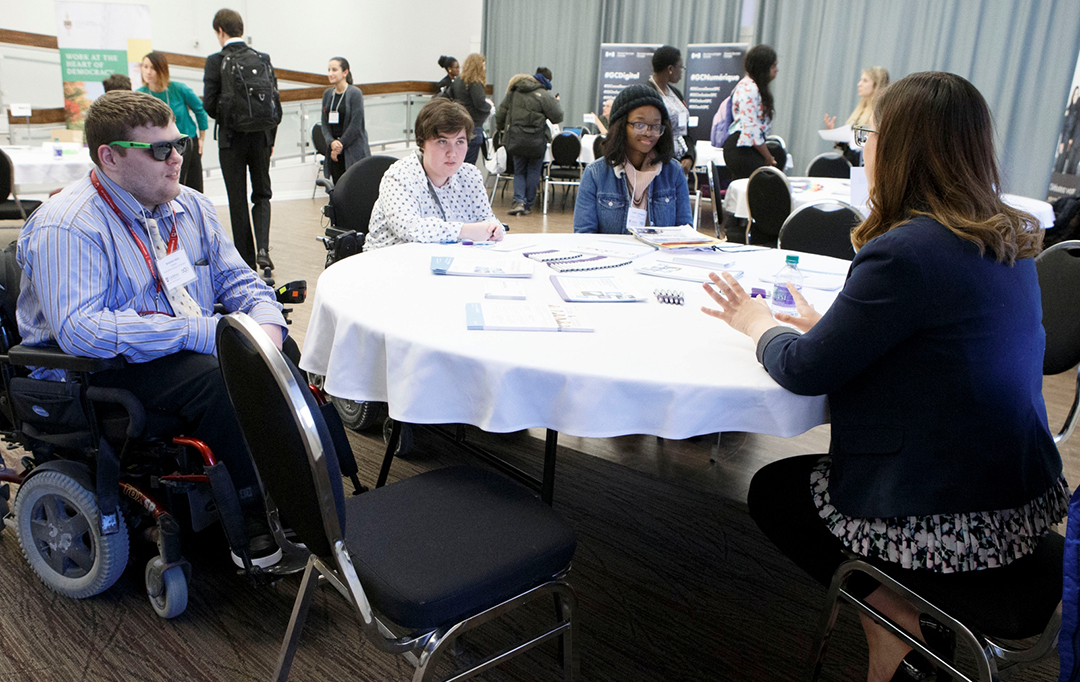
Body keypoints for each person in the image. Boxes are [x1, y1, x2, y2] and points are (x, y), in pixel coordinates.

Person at [701, 72, 1066, 682]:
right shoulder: (1007, 238)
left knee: (773, 492)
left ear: (901, 149)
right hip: (1020, 501)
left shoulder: (907, 251)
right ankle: (901, 622)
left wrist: (756, 320)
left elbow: (803, 368)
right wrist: (842, 324)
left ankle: (890, 615)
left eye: (870, 133)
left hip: (947, 518)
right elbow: (945, 348)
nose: (863, 145)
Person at [16, 90, 291, 566]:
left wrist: (267, 324)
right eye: (160, 149)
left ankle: (306, 496)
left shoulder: (191, 207)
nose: (176, 158)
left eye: (179, 144)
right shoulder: (67, 225)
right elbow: (82, 330)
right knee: (219, 377)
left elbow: (238, 277)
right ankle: (251, 523)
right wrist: (201, 332)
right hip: (90, 370)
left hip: (173, 349)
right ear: (111, 157)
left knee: (282, 360)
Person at [365, 98, 504, 250]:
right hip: (388, 263)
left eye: (460, 142)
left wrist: (495, 230)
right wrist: (466, 231)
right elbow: (411, 229)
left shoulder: (470, 175)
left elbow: (486, 219)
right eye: (442, 142)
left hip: (445, 262)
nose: (452, 153)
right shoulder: (399, 176)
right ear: (422, 143)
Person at [203, 8, 280, 274]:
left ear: (220, 31)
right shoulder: (263, 58)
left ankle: (246, 259)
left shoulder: (216, 61)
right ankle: (263, 250)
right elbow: (273, 103)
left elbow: (209, 104)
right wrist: (270, 139)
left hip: (231, 140)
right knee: (262, 193)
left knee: (237, 198)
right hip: (261, 138)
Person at [573, 84, 692, 234]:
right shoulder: (595, 174)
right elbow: (584, 235)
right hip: (612, 256)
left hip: (660, 257)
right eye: (639, 124)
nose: (648, 133)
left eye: (655, 126)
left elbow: (685, 233)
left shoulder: (673, 173)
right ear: (621, 125)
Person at [138, 51, 209, 192]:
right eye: (145, 67)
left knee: (192, 185)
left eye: (153, 68)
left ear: (162, 69)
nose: (148, 72)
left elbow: (200, 110)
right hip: (159, 148)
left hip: (186, 142)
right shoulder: (140, 95)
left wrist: (202, 138)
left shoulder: (179, 88)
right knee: (167, 186)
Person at [496, 70, 563, 216]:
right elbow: (557, 117)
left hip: (516, 139)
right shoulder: (544, 95)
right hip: (536, 140)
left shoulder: (514, 92)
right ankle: (528, 204)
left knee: (519, 171)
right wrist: (555, 102)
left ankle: (519, 201)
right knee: (534, 171)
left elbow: (500, 113)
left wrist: (500, 128)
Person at [723, 44, 778, 180]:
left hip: (746, 147)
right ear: (763, 68)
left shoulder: (750, 86)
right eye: (773, 66)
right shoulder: (749, 88)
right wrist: (768, 157)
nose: (777, 70)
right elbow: (751, 129)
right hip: (742, 149)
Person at [823, 66, 890, 166]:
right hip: (849, 163)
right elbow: (850, 146)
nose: (859, 84)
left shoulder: (881, 112)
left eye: (865, 81)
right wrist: (835, 135)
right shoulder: (860, 109)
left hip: (865, 166)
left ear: (876, 85)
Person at [321, 56, 370, 185]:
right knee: (338, 189)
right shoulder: (327, 94)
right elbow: (324, 124)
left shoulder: (355, 93)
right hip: (334, 152)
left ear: (345, 72)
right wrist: (331, 143)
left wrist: (340, 144)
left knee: (354, 187)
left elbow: (356, 124)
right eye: (329, 70)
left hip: (352, 149)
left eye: (334, 70)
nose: (330, 73)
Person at [647, 45, 696, 173]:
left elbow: (686, 130)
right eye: (680, 67)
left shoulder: (676, 94)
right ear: (670, 69)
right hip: (660, 163)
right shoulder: (647, 93)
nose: (681, 71)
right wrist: (672, 161)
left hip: (681, 162)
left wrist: (689, 157)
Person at [449, 53, 492, 166]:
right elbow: (479, 103)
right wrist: (490, 107)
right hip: (473, 126)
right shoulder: (475, 82)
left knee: (457, 164)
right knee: (469, 165)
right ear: (478, 66)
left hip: (459, 125)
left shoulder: (457, 81)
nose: (484, 68)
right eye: (483, 65)